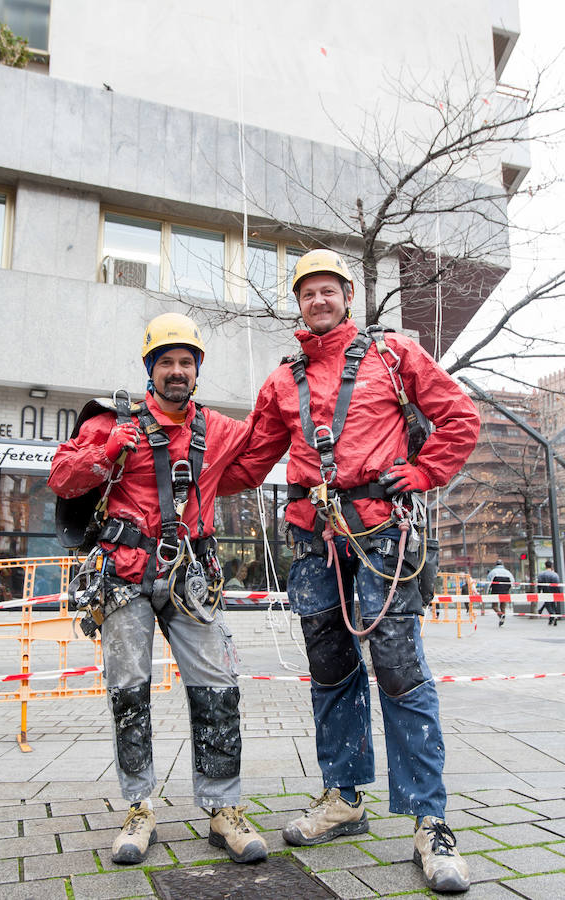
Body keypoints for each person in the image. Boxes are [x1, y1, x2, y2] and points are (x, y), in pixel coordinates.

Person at [218, 248, 480, 894]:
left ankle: (430, 819)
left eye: (328, 290)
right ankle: (344, 798)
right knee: (332, 673)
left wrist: (420, 473)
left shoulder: (394, 357)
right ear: (298, 303)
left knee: (398, 669)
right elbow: (249, 460)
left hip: (381, 538)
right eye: (307, 293)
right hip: (313, 544)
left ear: (349, 293)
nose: (318, 300)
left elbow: (460, 418)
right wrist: (173, 468)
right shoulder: (284, 381)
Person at [48, 313, 267, 867]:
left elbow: (265, 444)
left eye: (185, 363)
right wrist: (106, 453)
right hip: (124, 574)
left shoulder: (217, 429)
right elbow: (61, 475)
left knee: (219, 687)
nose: (176, 371)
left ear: (197, 372)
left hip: (191, 576)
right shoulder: (113, 423)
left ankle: (223, 809)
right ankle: (140, 806)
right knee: (129, 691)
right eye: (166, 361)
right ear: (150, 368)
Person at [486, 559, 514, 626]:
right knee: (503, 607)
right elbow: (513, 582)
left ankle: (500, 615)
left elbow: (488, 583)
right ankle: (502, 618)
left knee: (494, 606)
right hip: (505, 592)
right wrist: (509, 590)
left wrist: (487, 592)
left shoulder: (492, 572)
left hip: (495, 591)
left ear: (496, 564)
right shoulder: (508, 572)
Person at [537, 560, 560, 626]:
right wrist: (558, 593)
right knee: (553, 604)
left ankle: (553, 615)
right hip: (553, 591)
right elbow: (557, 584)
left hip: (546, 591)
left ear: (545, 566)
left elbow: (539, 584)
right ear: (551, 566)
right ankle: (552, 618)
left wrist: (539, 592)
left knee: (548, 605)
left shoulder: (542, 574)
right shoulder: (555, 574)